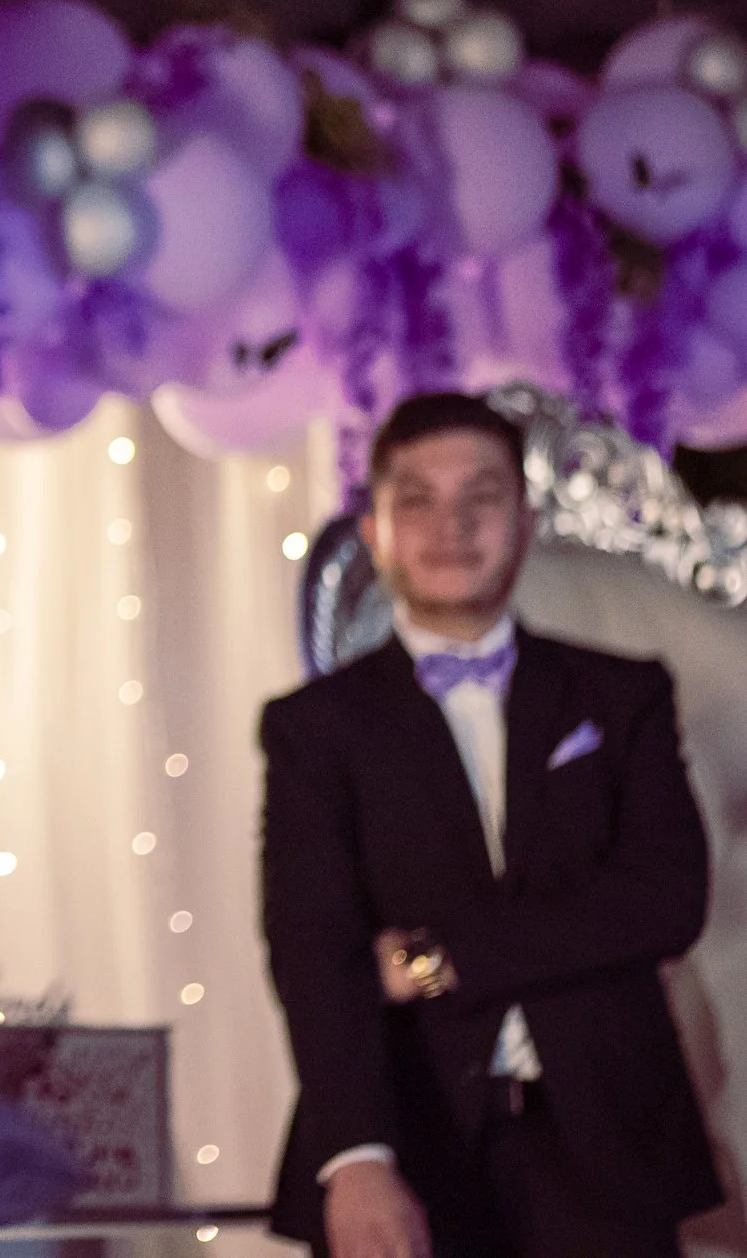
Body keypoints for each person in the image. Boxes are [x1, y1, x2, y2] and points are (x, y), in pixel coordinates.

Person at [259, 391, 722, 1258]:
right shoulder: (315, 730)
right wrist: (355, 1158)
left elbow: (665, 901)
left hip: (608, 1149)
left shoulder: (621, 696)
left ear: (526, 517)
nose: (451, 525)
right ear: (374, 529)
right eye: (416, 500)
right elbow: (314, 950)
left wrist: (436, 961)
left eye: (481, 497)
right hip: (408, 1137)